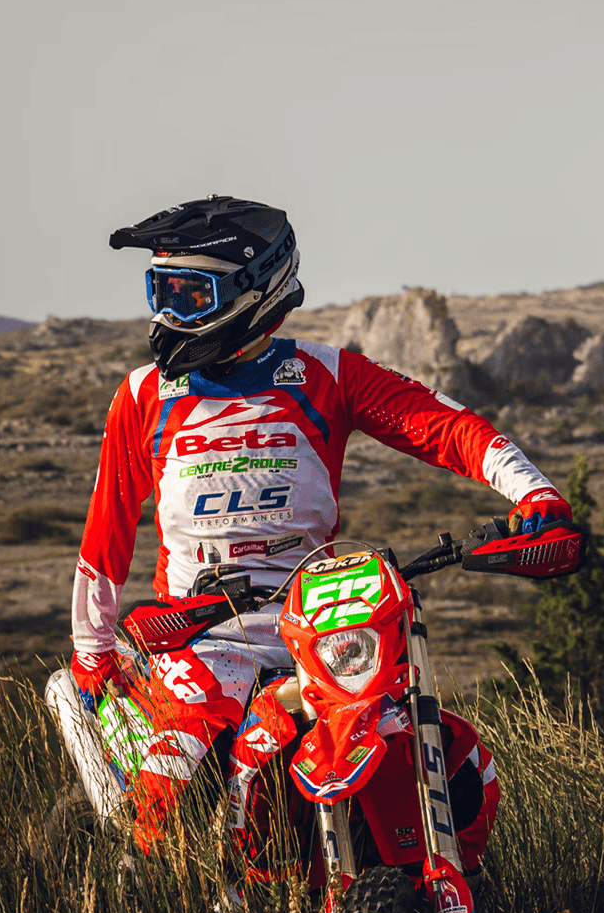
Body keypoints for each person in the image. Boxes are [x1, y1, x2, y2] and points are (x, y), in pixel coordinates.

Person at [63, 195, 570, 867]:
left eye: (191, 293)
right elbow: (107, 533)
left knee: (439, 751)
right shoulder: (143, 396)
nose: (169, 314)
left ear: (253, 289)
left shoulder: (326, 374)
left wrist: (533, 491)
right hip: (196, 638)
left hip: (323, 628)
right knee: (165, 811)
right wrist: (91, 650)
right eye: (162, 291)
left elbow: (441, 425)